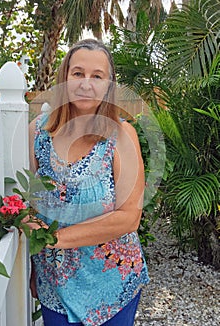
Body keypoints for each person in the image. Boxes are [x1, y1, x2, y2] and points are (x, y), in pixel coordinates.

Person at [28, 38, 149, 326]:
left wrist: (53, 240)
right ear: (65, 78)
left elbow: (129, 217)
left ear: (109, 85)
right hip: (54, 283)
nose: (86, 84)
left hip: (112, 285)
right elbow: (19, 197)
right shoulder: (37, 132)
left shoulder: (122, 135)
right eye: (78, 73)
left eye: (97, 76)